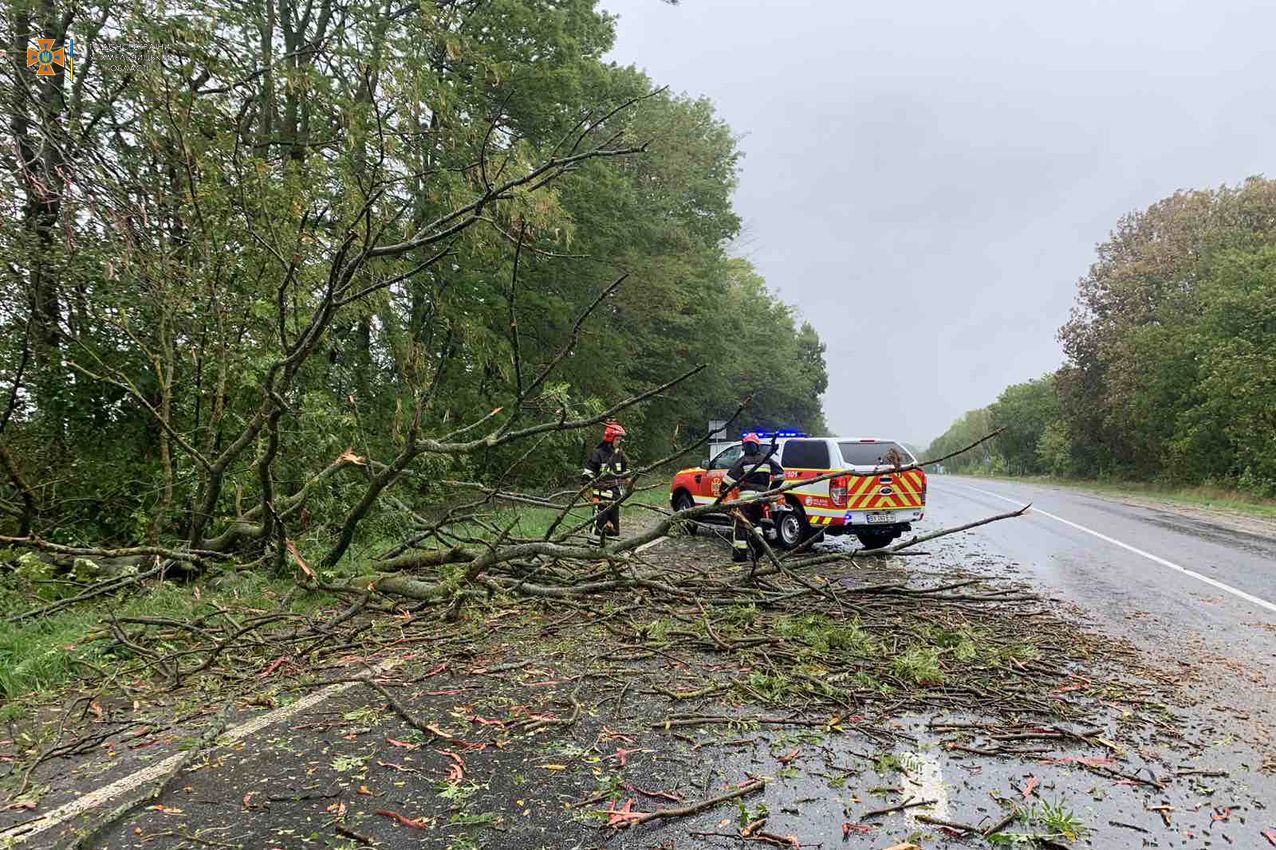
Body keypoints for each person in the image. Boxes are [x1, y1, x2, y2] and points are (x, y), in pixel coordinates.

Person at [720, 433, 786, 562]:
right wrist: (771, 489)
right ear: (758, 446)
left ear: (745, 447)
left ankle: (740, 555)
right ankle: (759, 542)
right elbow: (781, 475)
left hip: (746, 497)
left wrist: (722, 492)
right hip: (762, 497)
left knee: (740, 524)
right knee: (757, 522)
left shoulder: (743, 461)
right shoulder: (766, 459)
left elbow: (728, 480)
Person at [581, 421, 630, 537]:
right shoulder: (598, 454)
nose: (619, 442)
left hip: (615, 498)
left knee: (614, 530)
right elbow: (586, 477)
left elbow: (626, 473)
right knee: (598, 527)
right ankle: (592, 550)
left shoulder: (620, 455)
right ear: (610, 438)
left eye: (620, 440)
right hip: (600, 498)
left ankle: (610, 551)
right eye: (617, 439)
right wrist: (592, 497)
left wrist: (629, 482)